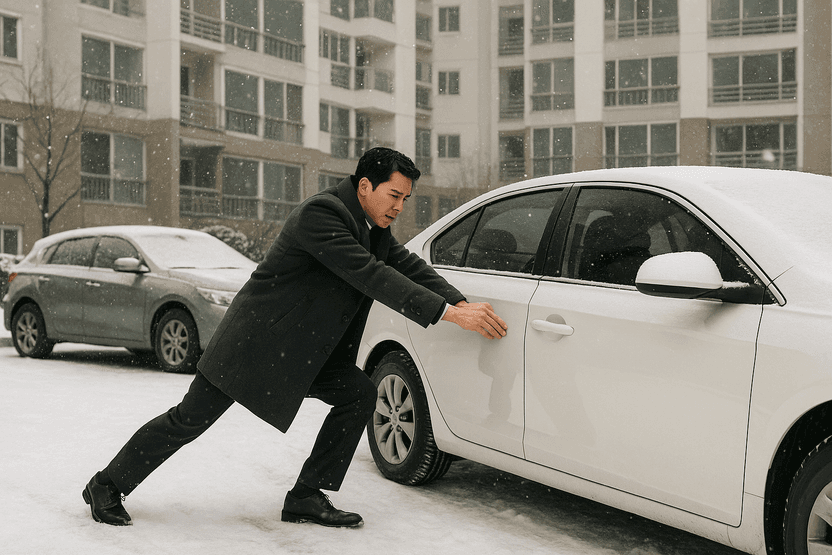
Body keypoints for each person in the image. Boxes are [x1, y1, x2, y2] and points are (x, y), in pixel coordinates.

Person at [82, 147, 508, 528]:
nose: (399, 206)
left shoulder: (373, 226)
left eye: (405, 199)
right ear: (364, 186)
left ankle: (306, 496)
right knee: (189, 420)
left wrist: (463, 302)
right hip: (253, 347)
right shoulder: (321, 215)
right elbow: (371, 275)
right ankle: (105, 485)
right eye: (393, 196)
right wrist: (449, 315)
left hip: (302, 353)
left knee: (358, 392)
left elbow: (406, 266)